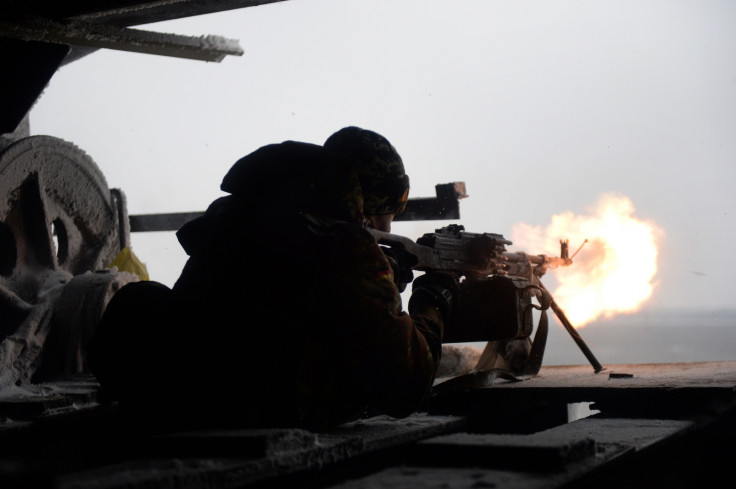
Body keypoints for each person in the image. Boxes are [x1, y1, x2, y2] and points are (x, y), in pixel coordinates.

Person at [88, 128, 458, 432]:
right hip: (260, 414)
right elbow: (406, 384)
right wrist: (433, 298)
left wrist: (384, 273)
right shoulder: (346, 248)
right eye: (385, 213)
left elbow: (292, 291)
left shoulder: (237, 218)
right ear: (364, 203)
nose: (387, 227)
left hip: (184, 394)